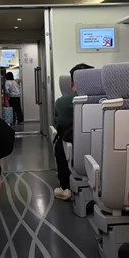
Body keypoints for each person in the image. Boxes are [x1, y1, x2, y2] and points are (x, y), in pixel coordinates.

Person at [53, 63, 94, 200]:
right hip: (103, 154)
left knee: (60, 142)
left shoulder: (62, 103)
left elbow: (59, 124)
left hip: (77, 155)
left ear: (72, 83)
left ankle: (65, 187)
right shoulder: (109, 100)